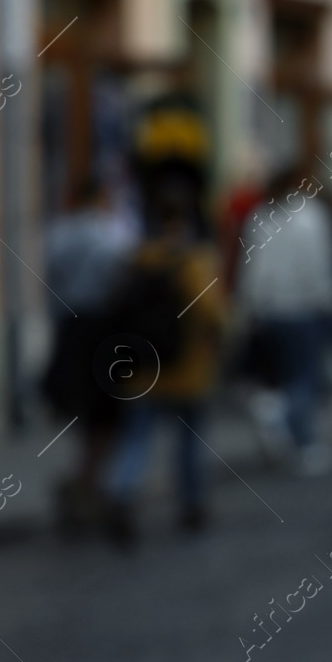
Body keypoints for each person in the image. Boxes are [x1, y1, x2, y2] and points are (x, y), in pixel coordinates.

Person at [103, 184, 228, 545]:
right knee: (190, 440)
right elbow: (211, 312)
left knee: (136, 440)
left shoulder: (139, 258)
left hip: (142, 367)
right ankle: (192, 504)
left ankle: (122, 494)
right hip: (187, 369)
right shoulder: (196, 260)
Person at [236, 165, 332, 475]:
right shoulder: (311, 217)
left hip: (271, 308)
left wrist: (251, 305)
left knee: (284, 373)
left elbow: (252, 266)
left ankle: (280, 415)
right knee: (305, 378)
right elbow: (320, 265)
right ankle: (299, 434)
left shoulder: (260, 217)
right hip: (304, 307)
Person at [41, 179, 136, 534]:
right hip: (102, 332)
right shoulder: (110, 234)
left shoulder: (58, 235)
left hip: (69, 329)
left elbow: (50, 283)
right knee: (107, 419)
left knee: (83, 416)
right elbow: (121, 280)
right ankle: (85, 488)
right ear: (99, 199)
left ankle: (83, 488)